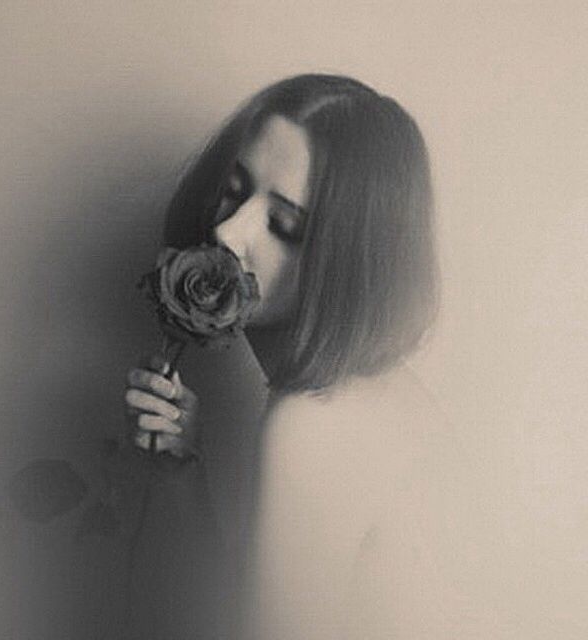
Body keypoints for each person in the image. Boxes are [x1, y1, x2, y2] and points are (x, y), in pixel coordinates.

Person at [125, 74, 494, 639]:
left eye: (283, 225)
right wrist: (180, 468)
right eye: (233, 190)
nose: (226, 232)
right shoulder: (377, 391)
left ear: (348, 261)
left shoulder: (312, 422)